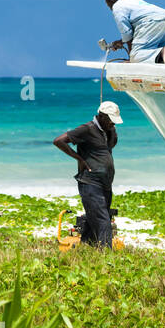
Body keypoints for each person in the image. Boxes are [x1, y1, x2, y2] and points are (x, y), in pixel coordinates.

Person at [53, 101, 123, 248]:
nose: (112, 124)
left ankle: (86, 247)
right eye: (111, 121)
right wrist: (80, 159)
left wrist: (112, 130)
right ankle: (106, 257)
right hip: (90, 182)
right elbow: (59, 141)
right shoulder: (87, 129)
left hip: (105, 182)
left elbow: (110, 145)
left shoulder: (107, 130)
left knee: (95, 218)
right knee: (103, 220)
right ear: (102, 116)